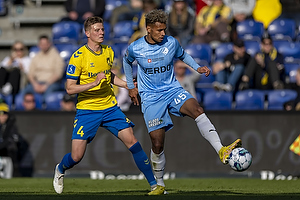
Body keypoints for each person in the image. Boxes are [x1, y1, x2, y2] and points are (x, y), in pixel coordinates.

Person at [123, 9, 242, 191]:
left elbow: (183, 54)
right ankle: (159, 184)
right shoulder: (136, 47)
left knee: (197, 109)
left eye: (164, 29)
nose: (163, 33)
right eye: (159, 30)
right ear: (148, 29)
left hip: (172, 89)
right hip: (151, 97)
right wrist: (131, 87)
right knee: (157, 143)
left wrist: (197, 67)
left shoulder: (171, 42)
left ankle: (221, 149)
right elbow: (126, 61)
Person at [53, 16, 165, 196]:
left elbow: (109, 76)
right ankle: (60, 169)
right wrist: (93, 83)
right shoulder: (78, 57)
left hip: (110, 107)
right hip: (87, 109)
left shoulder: (108, 52)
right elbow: (69, 88)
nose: (101, 32)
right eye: (97, 30)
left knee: (133, 142)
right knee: (76, 156)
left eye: (102, 29)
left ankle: (155, 185)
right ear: (87, 33)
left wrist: (128, 85)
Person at [23, 35, 65, 103]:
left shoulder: (56, 56)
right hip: (37, 83)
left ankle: (43, 109)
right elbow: (30, 73)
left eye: (45, 44)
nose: (44, 46)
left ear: (49, 44)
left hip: (51, 83)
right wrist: (35, 84)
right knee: (25, 91)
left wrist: (46, 85)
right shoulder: (36, 57)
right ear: (39, 45)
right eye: (42, 44)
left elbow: (58, 74)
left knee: (48, 93)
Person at [0, 100, 23, 177]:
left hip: (8, 155)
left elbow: (13, 139)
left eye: (4, 114)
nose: (2, 117)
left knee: (8, 175)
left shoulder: (12, 125)